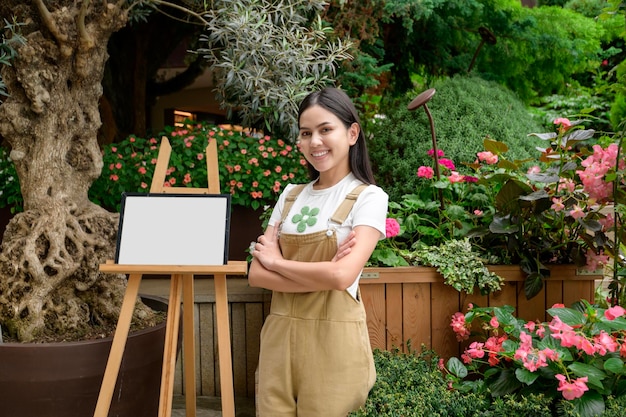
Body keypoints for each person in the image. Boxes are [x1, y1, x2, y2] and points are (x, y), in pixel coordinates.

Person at [248, 87, 388, 416]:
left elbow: (343, 276)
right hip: (279, 340)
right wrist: (324, 274)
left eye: (326, 130)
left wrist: (278, 263)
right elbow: (256, 274)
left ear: (352, 133)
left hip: (334, 343)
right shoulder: (291, 195)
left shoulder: (369, 197)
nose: (315, 142)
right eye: (306, 133)